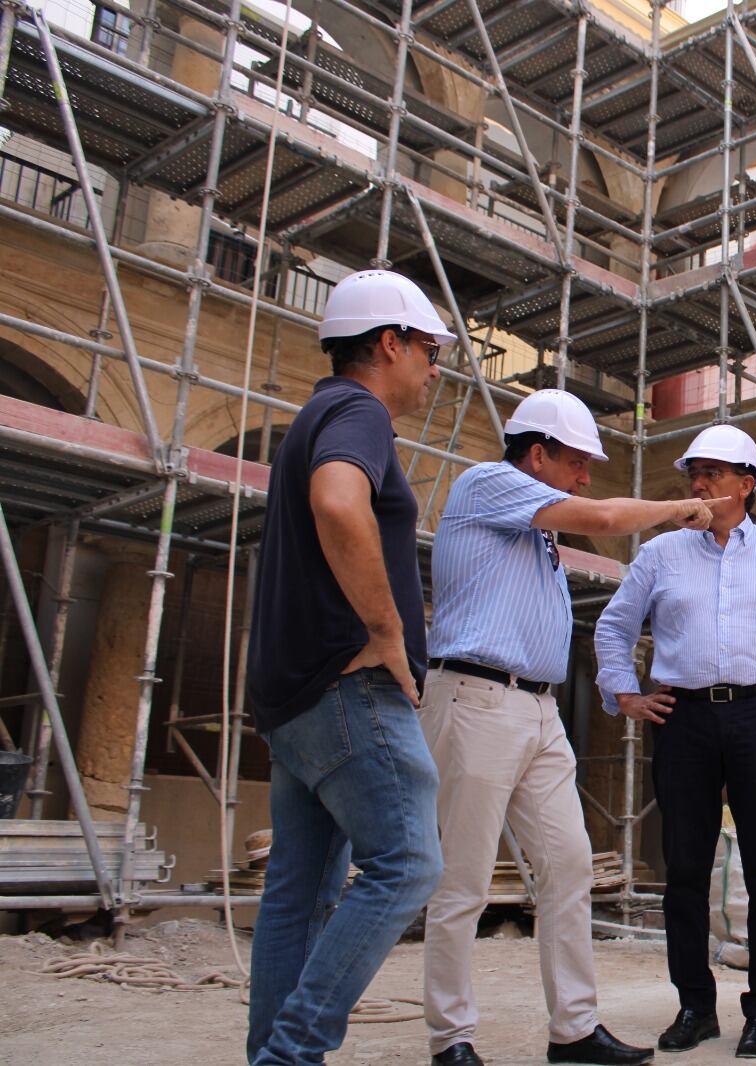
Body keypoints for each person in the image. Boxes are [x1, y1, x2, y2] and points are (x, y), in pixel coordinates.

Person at [421, 389, 719, 1066]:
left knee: (569, 865)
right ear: (537, 454)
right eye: (578, 462)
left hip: (536, 708)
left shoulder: (538, 531)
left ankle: (574, 1030)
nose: (584, 477)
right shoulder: (488, 483)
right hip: (477, 696)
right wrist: (675, 509)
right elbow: (608, 516)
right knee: (464, 876)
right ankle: (451, 1039)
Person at [245, 269, 450, 1065]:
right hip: (348, 685)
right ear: (389, 344)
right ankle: (290, 1053)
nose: (435, 370)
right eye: (429, 351)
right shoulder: (358, 411)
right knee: (408, 863)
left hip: (298, 695)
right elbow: (338, 501)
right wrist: (388, 630)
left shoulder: (317, 413)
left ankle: (273, 1056)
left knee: (299, 892)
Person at [592, 425, 756, 1059]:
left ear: (746, 483)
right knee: (684, 867)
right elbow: (615, 626)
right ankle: (695, 1007)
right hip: (683, 718)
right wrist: (623, 693)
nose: (699, 484)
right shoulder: (661, 553)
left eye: (713, 472)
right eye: (694, 473)